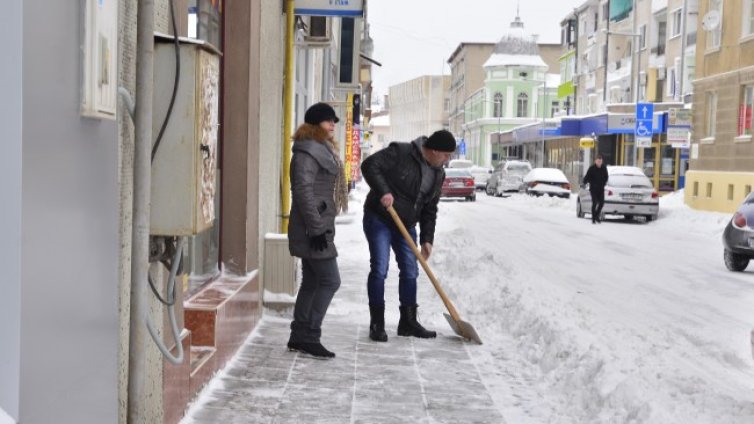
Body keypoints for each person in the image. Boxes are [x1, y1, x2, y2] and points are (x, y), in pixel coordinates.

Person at [360, 130, 456, 342]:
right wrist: (384, 191)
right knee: (380, 268)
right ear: (433, 150)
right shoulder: (401, 152)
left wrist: (427, 239)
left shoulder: (438, 173)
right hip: (380, 218)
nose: (447, 160)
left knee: (411, 270)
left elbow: (430, 209)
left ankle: (408, 322)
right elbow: (369, 166)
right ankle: (377, 323)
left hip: (407, 224)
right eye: (445, 155)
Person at [287, 102, 349, 359]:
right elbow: (303, 191)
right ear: (315, 124)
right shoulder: (307, 153)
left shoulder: (320, 149)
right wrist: (316, 229)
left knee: (312, 281)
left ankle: (299, 335)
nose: (332, 124)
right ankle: (309, 335)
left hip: (317, 225)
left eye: (333, 120)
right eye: (327, 121)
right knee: (330, 280)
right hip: (313, 228)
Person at [583, 154, 609, 224]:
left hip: (601, 189)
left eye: (600, 161)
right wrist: (584, 182)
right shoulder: (592, 168)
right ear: (595, 161)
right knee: (595, 203)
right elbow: (587, 177)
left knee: (601, 203)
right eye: (598, 161)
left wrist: (604, 182)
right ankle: (593, 218)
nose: (599, 163)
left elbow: (606, 177)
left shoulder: (604, 168)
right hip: (593, 189)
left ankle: (596, 215)